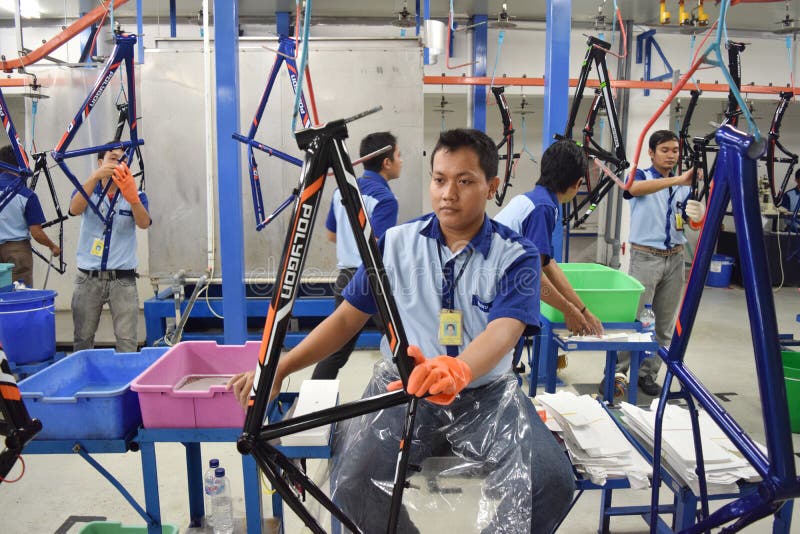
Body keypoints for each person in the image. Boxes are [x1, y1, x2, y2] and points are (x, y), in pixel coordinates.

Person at [229, 128, 574, 533]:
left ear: (492, 186)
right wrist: (280, 368)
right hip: (405, 390)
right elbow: (346, 319)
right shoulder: (395, 244)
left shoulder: (516, 254)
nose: (448, 193)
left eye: (464, 181)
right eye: (440, 179)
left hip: (486, 394)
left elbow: (505, 329)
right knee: (353, 483)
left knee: (551, 481)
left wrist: (458, 369)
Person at [615, 130, 705, 396]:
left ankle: (648, 373)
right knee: (634, 321)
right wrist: (680, 179)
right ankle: (619, 373)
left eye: (675, 151)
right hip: (646, 258)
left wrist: (698, 214)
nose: (671, 155)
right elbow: (632, 189)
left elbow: (691, 223)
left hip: (675, 259)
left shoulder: (684, 187)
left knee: (664, 326)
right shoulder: (641, 176)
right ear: (651, 153)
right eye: (664, 150)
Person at [311, 131, 403, 380]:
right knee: (400, 345)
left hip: (345, 277)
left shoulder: (341, 190)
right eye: (399, 155)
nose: (402, 160)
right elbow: (379, 245)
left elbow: (331, 234)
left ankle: (313, 399)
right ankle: (410, 396)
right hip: (372, 278)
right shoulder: (385, 199)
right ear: (387, 162)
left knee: (334, 349)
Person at [495, 139, 604, 337]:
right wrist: (568, 309)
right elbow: (533, 278)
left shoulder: (533, 200)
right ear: (578, 183)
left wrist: (582, 310)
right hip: (491, 295)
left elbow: (547, 264)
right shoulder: (542, 208)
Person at [69, 147, 151, 353]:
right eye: (112, 158)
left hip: (122, 280)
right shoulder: (87, 190)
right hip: (88, 279)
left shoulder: (136, 194)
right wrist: (94, 177)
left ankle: (126, 375)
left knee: (127, 341)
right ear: (100, 162)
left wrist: (132, 198)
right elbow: (74, 209)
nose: (117, 164)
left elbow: (144, 223)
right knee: (82, 339)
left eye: (122, 160)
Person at [0, 145, 60, 287]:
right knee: (20, 294)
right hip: (17, 251)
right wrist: (52, 246)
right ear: (22, 164)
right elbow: (36, 232)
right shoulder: (27, 195)